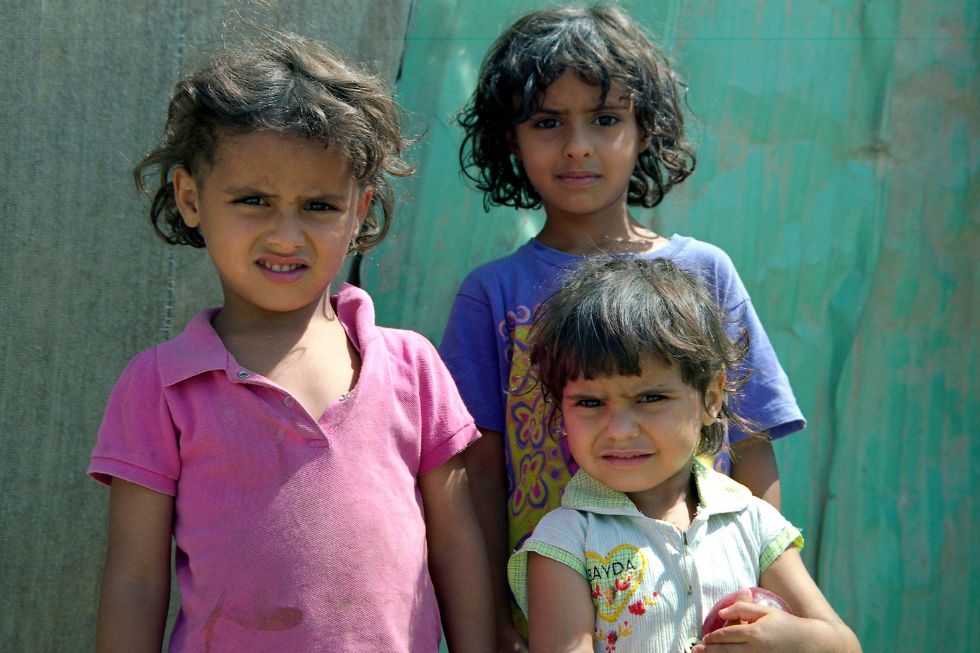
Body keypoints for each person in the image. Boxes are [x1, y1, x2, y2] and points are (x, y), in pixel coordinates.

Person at [89, 30, 494, 653]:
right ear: (191, 199)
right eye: (253, 200)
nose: (286, 235)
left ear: (360, 211)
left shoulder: (410, 367)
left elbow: (456, 545)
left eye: (319, 206)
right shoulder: (161, 386)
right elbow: (136, 581)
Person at [439, 5, 805, 648]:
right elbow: (479, 473)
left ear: (645, 130)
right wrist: (491, 621)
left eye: (605, 119)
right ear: (510, 139)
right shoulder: (492, 296)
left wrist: (774, 602)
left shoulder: (705, 272)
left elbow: (749, 441)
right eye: (548, 122)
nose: (577, 144)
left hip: (709, 616)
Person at [506, 256, 860, 653]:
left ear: (711, 398)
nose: (619, 429)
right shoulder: (566, 540)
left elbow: (843, 643)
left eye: (651, 398)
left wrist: (786, 639)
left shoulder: (752, 521)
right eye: (589, 403)